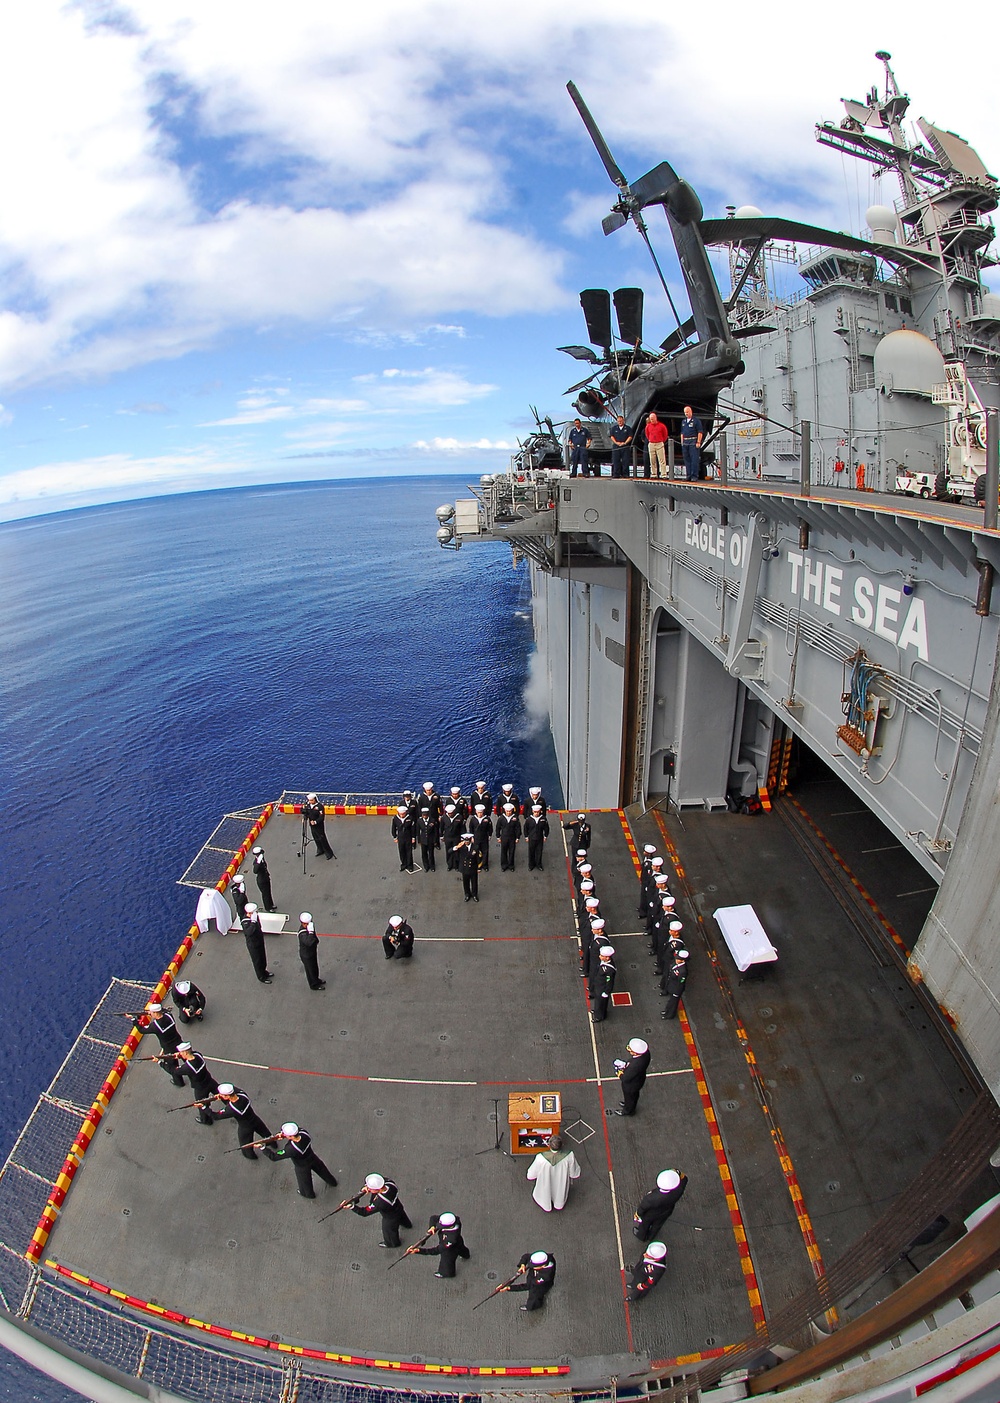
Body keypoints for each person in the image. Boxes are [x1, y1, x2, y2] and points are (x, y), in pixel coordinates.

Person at [210, 1084, 278, 1161]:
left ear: (227, 1096)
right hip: (255, 1119)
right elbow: (235, 1089)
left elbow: (216, 1116)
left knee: (246, 1144)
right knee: (265, 1133)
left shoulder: (232, 1109)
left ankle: (251, 1156)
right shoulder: (243, 1095)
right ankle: (273, 1143)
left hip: (245, 1127)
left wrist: (204, 1107)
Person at [273, 1123, 338, 1198]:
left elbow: (274, 1157)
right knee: (322, 1170)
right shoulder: (304, 1133)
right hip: (312, 1157)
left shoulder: (290, 1149)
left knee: (304, 1182)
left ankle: (308, 1194)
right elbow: (298, 1130)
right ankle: (332, 1182)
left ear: (291, 1136)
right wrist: (283, 1135)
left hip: (301, 1166)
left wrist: (263, 1148)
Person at [352, 1173, 412, 1246]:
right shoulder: (390, 1184)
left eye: (370, 1188)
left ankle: (392, 1243)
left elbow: (365, 1212)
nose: (368, 1189)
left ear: (378, 1189)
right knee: (402, 1217)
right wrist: (367, 1187)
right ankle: (407, 1224)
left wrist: (352, 1207)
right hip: (398, 1207)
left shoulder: (380, 1202)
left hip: (390, 1217)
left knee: (388, 1231)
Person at [526, 1135, 581, 1211]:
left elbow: (531, 1175)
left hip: (545, 1183)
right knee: (559, 1192)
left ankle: (545, 1204)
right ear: (562, 1145)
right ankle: (558, 1203)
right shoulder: (569, 1156)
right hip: (560, 1182)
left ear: (549, 1145)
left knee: (545, 1192)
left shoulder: (540, 1158)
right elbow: (573, 1173)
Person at [633, 1170, 688, 1240]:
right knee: (657, 1225)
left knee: (645, 1224)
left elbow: (643, 1207)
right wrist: (678, 1173)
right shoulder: (679, 1190)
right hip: (666, 1211)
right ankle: (651, 1237)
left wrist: (638, 1213)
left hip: (651, 1214)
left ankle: (641, 1236)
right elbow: (684, 1179)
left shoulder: (651, 1197)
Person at [141, 1002, 186, 1086]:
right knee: (186, 1058)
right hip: (178, 1041)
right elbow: (164, 1012)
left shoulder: (155, 1026)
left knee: (172, 1066)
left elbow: (142, 1030)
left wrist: (134, 1021)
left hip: (168, 1048)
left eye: (151, 1012)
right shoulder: (169, 1016)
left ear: (155, 1013)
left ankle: (179, 1082)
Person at [174, 1043, 219, 1123]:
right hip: (209, 1080)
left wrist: (160, 1062)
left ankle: (205, 1120)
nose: (180, 1053)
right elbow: (191, 1058)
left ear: (185, 1053)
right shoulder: (198, 1055)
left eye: (181, 1052)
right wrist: (182, 1056)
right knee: (220, 1093)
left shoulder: (187, 1068)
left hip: (200, 1088)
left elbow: (175, 1071)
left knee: (201, 1104)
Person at [416, 1212, 470, 1277]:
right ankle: (466, 1255)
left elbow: (437, 1250)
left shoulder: (451, 1239)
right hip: (459, 1241)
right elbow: (433, 1218)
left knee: (446, 1262)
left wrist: (419, 1250)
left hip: (449, 1250)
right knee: (461, 1248)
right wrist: (432, 1227)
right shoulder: (455, 1221)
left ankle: (447, 1274)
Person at [613, 1038, 651, 1116]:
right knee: (634, 1096)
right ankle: (629, 1104)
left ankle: (628, 1110)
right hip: (639, 1080)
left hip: (632, 1085)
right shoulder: (646, 1054)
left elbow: (625, 1078)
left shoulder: (635, 1065)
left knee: (629, 1096)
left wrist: (619, 1072)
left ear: (636, 1053)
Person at [241, 903, 273, 983]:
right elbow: (249, 932)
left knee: (262, 958)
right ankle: (261, 977)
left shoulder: (254, 917)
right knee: (257, 961)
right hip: (253, 944)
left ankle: (264, 971)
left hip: (259, 940)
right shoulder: (245, 921)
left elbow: (259, 926)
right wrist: (253, 922)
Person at [297, 912, 326, 990]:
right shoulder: (302, 934)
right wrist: (310, 932)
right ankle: (314, 985)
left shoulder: (309, 928)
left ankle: (316, 979)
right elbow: (309, 942)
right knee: (310, 970)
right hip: (307, 955)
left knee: (315, 968)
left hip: (311, 952)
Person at [303, 793, 335, 860]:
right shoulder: (308, 806)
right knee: (315, 837)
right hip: (312, 825)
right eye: (309, 800)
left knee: (322, 838)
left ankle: (329, 852)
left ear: (315, 799)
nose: (310, 802)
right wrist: (305, 818)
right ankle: (320, 849)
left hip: (319, 826)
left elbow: (321, 817)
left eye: (311, 800)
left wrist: (315, 822)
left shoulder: (320, 807)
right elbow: (306, 813)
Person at [590, 944, 616, 1023]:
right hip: (598, 985)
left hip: (602, 988)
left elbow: (609, 982)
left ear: (607, 957)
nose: (600, 957)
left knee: (601, 1003)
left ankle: (599, 1016)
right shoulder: (604, 963)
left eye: (602, 956)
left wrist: (606, 992)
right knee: (598, 1001)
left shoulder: (609, 970)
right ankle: (597, 1011)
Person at [661, 950, 689, 1020]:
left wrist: (677, 993)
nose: (676, 959)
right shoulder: (676, 964)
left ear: (683, 960)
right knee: (671, 1001)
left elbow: (680, 983)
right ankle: (667, 1010)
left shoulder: (683, 971)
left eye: (678, 959)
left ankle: (670, 1015)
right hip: (671, 985)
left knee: (673, 1003)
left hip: (675, 989)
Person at [680, 405, 704, 480]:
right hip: (685, 442)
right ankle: (688, 475)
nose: (686, 414)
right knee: (687, 459)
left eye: (687, 412)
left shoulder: (696, 421)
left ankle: (694, 476)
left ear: (691, 412)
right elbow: (682, 433)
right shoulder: (683, 422)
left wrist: (698, 442)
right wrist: (682, 442)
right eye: (685, 412)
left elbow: (700, 432)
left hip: (693, 441)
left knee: (694, 459)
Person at [391, 805, 416, 873]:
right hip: (400, 837)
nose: (402, 815)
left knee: (409, 852)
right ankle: (403, 864)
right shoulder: (395, 819)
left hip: (408, 837)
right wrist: (395, 837)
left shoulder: (410, 818)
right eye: (401, 814)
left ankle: (410, 865)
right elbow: (393, 828)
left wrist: (413, 837)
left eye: (403, 814)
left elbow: (413, 829)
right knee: (401, 851)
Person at [455, 832, 480, 902]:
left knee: (474, 882)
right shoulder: (461, 847)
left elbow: (478, 858)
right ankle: (467, 894)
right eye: (465, 841)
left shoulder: (475, 847)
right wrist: (456, 847)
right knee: (465, 883)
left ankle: (474, 894)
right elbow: (450, 851)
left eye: (467, 841)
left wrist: (479, 867)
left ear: (470, 840)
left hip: (473, 867)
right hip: (465, 867)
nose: (466, 842)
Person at [523, 805, 549, 870]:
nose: (536, 813)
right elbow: (525, 828)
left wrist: (545, 836)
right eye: (535, 812)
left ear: (540, 811)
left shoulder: (543, 819)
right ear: (532, 811)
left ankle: (538, 864)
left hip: (540, 838)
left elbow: (546, 828)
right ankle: (531, 865)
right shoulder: (529, 819)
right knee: (531, 852)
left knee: (539, 851)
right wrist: (526, 836)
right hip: (531, 838)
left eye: (537, 812)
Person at [496, 803, 521, 871]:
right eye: (507, 811)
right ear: (505, 811)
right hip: (504, 837)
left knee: (512, 852)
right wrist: (498, 837)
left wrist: (517, 837)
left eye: (510, 811)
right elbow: (498, 828)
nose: (508, 812)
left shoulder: (515, 818)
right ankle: (504, 866)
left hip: (512, 837)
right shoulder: (501, 818)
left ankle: (511, 865)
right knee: (503, 852)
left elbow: (518, 828)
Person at [251, 847, 276, 913]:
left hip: (266, 878)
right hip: (261, 880)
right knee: (265, 894)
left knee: (269, 892)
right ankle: (268, 908)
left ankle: (271, 904)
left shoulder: (262, 858)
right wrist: (258, 862)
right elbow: (255, 871)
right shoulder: (256, 862)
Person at [645, 412, 669, 478]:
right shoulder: (648, 426)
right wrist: (651, 440)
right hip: (651, 443)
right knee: (652, 460)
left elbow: (665, 435)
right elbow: (647, 434)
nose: (652, 420)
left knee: (662, 460)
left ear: (656, 418)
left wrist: (661, 441)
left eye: (653, 419)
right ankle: (654, 474)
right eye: (651, 419)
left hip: (659, 443)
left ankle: (663, 474)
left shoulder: (662, 426)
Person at [470, 804, 492, 872]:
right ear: (476, 812)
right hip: (476, 838)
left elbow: (490, 828)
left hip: (484, 838)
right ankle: (478, 865)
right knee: (476, 851)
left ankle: (485, 865)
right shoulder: (473, 819)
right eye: (478, 812)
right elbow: (471, 829)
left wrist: (489, 835)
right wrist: (472, 837)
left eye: (481, 812)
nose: (480, 814)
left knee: (485, 851)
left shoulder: (487, 819)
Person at [610, 414, 633, 479]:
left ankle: (625, 474)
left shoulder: (628, 428)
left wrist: (625, 443)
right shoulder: (614, 428)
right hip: (616, 446)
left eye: (621, 421)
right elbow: (612, 436)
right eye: (618, 421)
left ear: (623, 421)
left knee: (625, 460)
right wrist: (616, 443)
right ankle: (616, 474)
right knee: (616, 460)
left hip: (625, 446)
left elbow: (630, 436)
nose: (620, 422)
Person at [417, 807, 438, 872]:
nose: (425, 816)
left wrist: (435, 841)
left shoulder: (432, 820)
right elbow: (418, 831)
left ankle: (432, 866)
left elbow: (435, 831)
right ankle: (426, 866)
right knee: (424, 854)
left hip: (430, 840)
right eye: (423, 815)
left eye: (426, 815)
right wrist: (419, 840)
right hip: (423, 840)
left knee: (431, 854)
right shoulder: (419, 821)